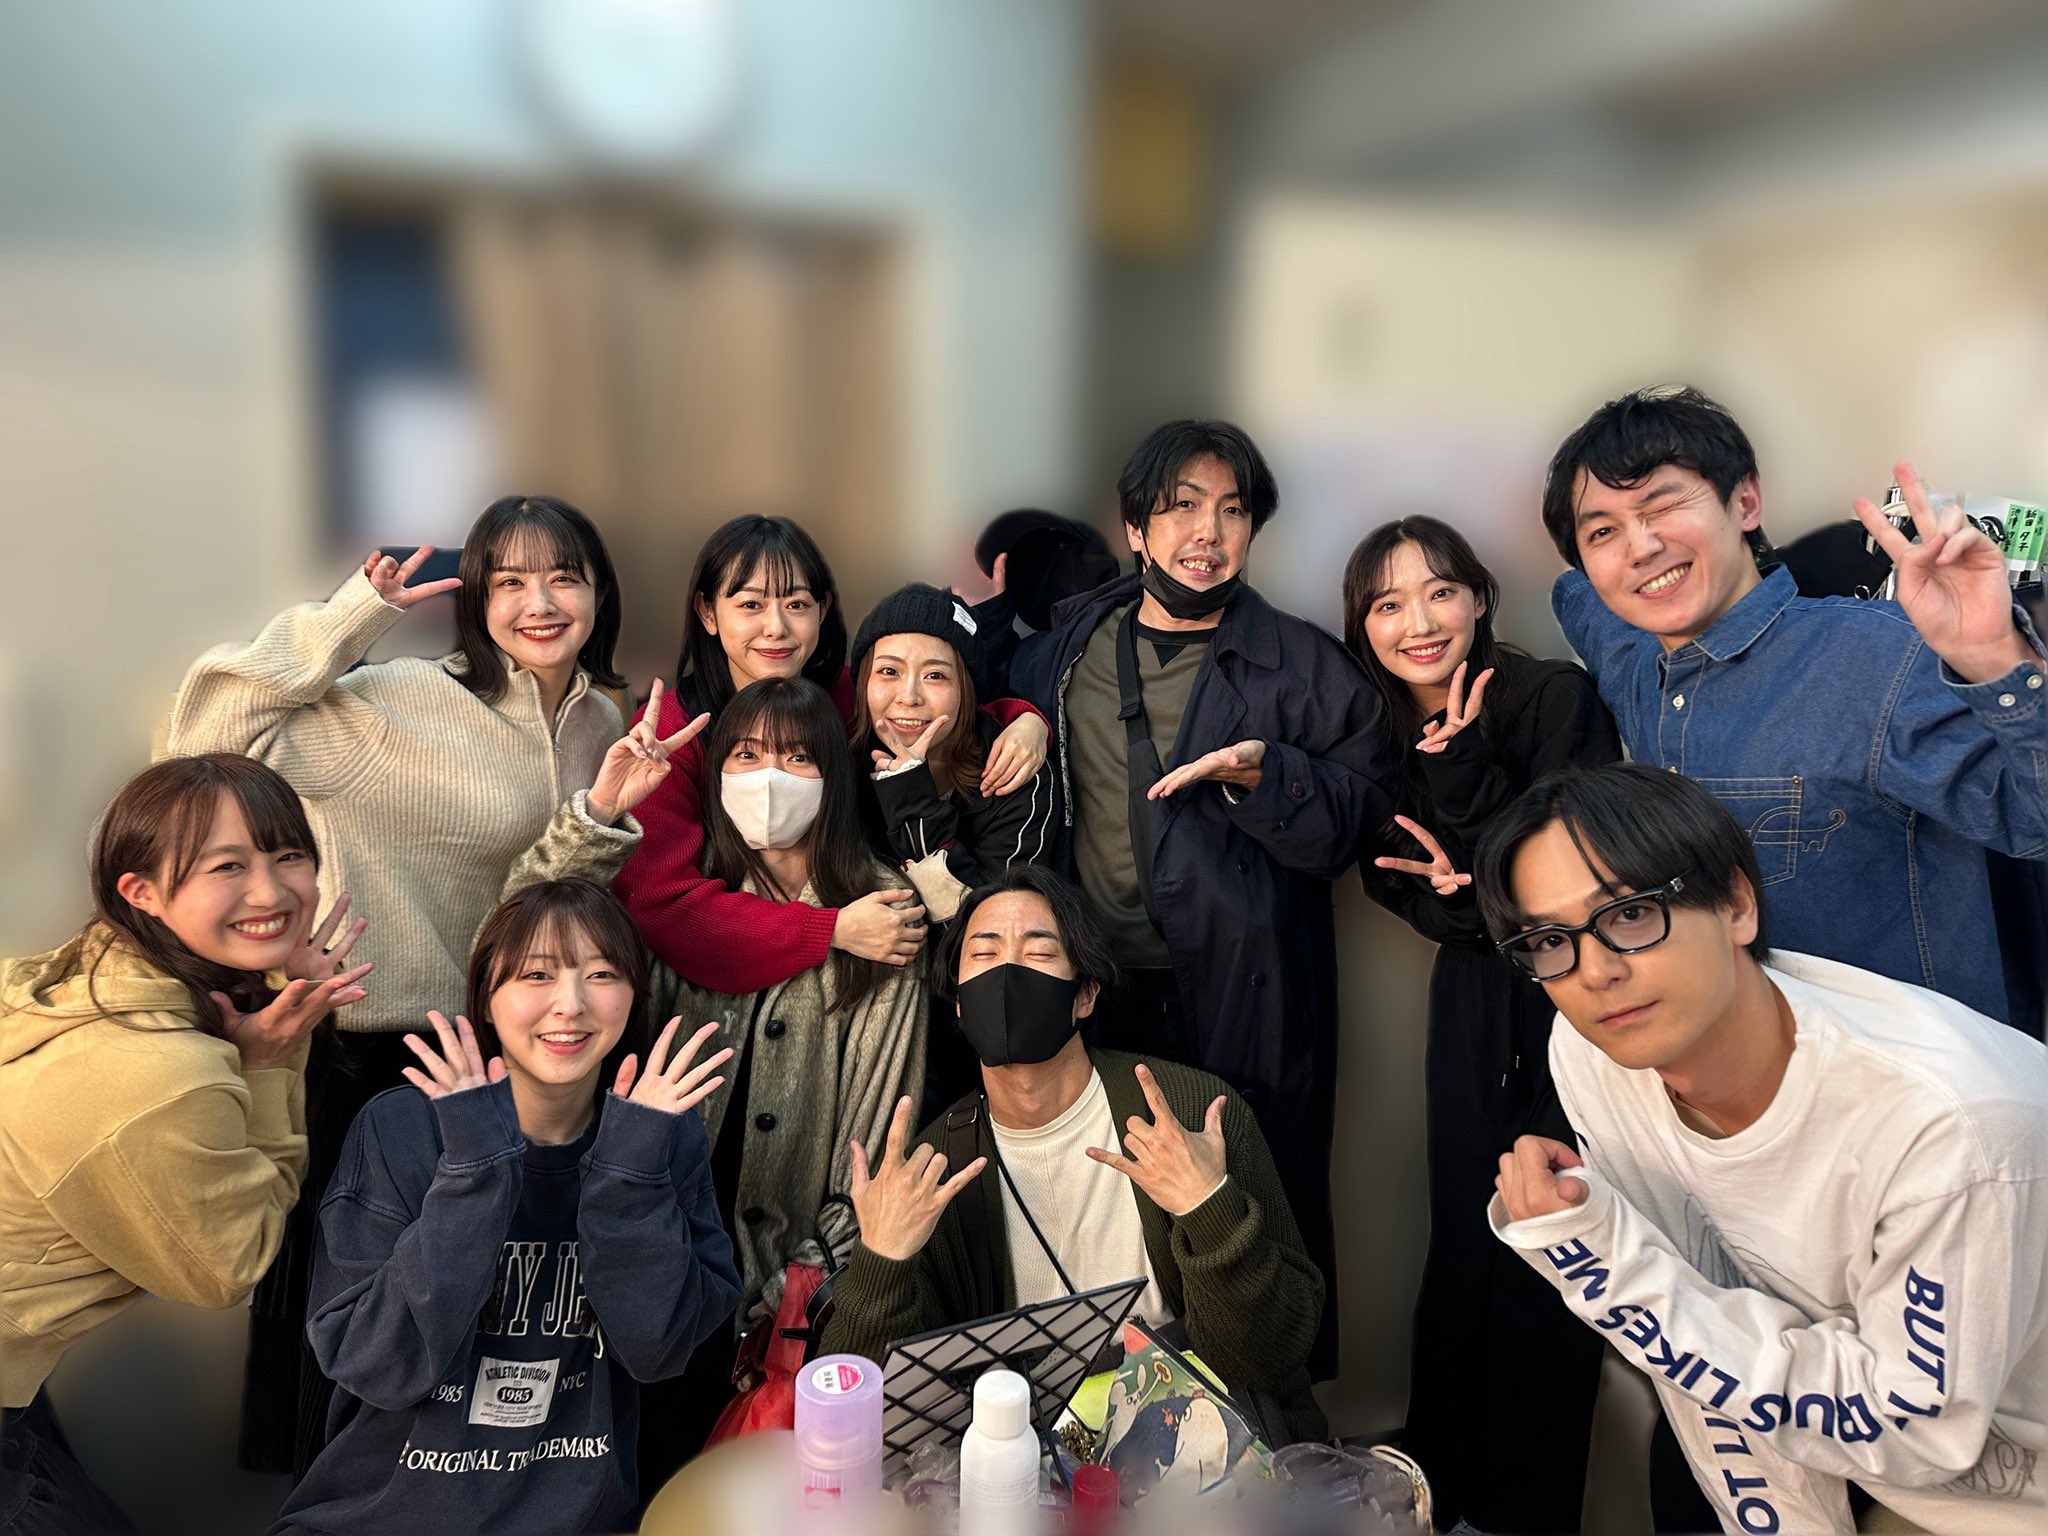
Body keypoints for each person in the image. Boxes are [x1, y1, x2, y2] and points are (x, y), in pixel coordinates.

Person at [166, 495, 689, 1470]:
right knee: (352, 1311)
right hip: (369, 1042)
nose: (540, 602)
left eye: (563, 577)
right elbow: (203, 738)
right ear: (477, 599)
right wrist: (348, 617)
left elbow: (531, 904)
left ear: (599, 592)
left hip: (501, 1048)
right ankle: (330, 1493)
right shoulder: (402, 699)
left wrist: (597, 817)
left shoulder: (601, 720)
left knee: (457, 1306)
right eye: (510, 581)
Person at [1479, 764, 2048, 1536]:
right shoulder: (1595, 1054)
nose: (1598, 973)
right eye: (1552, 940)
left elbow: (1912, 1433)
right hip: (1865, 1460)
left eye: (1632, 913)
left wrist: (1599, 1264)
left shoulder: (1952, 1131)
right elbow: (1702, 1326)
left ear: (1737, 905)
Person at [1009, 419, 1393, 1372]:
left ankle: (1271, 1410)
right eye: (1180, 507)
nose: (1207, 533)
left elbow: (1364, 825)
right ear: (1135, 529)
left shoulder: (1304, 665)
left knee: (1252, 1206)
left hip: (1249, 988)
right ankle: (1113, 1414)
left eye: (1231, 510)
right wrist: (1017, 718)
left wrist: (1270, 779)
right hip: (1095, 994)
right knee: (1103, 1212)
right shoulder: (1064, 654)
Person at [1541, 387, 2047, 1025]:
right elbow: (1578, 599)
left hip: (1895, 1072)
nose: (1639, 548)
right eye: (1603, 532)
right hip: (1737, 1067)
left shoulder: (1879, 656)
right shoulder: (1633, 662)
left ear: (1745, 502)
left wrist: (1998, 658)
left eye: (1663, 506)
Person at [272, 880, 741, 1536]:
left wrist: (631, 1168)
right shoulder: (402, 1128)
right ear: (487, 1000)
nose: (571, 1004)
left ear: (633, 994)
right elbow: (380, 1366)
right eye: (537, 975)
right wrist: (473, 1169)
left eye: (602, 974)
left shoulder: (662, 1134)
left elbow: (658, 1351)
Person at [818, 865, 1328, 1445]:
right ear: (957, 1001)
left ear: (1085, 994)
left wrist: (1208, 1207)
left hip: (1202, 1447)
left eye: (1038, 952)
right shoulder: (932, 1170)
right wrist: (881, 1260)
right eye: (983, 954)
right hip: (1029, 1465)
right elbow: (856, 1421)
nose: (1007, 973)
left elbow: (1271, 1358)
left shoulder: (1192, 1113)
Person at [0, 754, 370, 1534]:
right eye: (226, 866)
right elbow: (228, 1266)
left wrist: (273, 996)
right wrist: (269, 1064)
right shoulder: (161, 1076)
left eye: (288, 855)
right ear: (140, 892)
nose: (271, 892)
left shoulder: (70, 979)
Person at [1342, 516, 1620, 1534]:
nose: (1418, 622)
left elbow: (1567, 872)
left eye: (1439, 592)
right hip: (1466, 997)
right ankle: (1437, 1489)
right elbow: (1401, 885)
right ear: (1362, 626)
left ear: (1479, 598)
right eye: (1388, 604)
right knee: (1463, 1235)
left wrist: (1462, 781)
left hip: (1575, 996)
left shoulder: (1550, 698)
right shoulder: (1371, 731)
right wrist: (1469, 901)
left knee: (1552, 1237)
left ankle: (1529, 1510)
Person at [636, 676, 930, 1486]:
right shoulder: (684, 899)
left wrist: (794, 1280)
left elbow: (873, 1149)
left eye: (799, 758)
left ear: (834, 775)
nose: (769, 778)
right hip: (660, 1279)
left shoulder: (883, 912)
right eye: (747, 754)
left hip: (781, 1300)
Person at [613, 514, 1048, 1000]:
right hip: (714, 994)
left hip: (868, 977)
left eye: (796, 604)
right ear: (708, 612)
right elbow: (663, 905)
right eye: (751, 604)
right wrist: (829, 929)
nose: (775, 628)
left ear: (822, 609)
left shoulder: (842, 695)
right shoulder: (672, 731)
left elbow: (938, 712)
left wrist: (1025, 719)